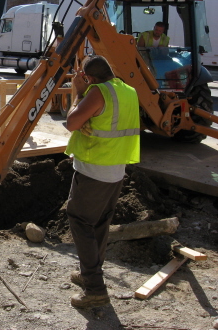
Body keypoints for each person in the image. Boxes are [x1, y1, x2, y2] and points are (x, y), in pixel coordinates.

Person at [64, 55, 140, 309]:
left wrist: (78, 92)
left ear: (90, 78)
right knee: (99, 224)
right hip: (116, 169)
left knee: (80, 220)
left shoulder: (97, 92)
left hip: (94, 169)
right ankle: (90, 274)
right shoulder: (128, 91)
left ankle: (95, 290)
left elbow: (71, 122)